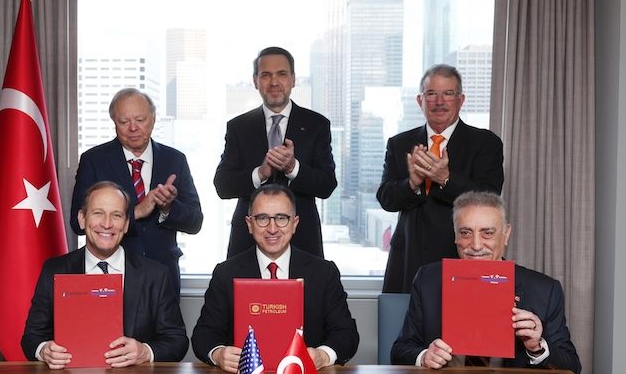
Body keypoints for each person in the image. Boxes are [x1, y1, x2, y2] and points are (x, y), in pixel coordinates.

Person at [390, 191, 581, 373]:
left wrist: (537, 347)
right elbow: (400, 350)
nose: (476, 245)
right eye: (465, 233)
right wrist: (424, 356)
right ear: (455, 235)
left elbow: (572, 366)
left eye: (487, 233)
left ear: (506, 234)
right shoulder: (428, 280)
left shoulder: (545, 290)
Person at [191, 184, 359, 372]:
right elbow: (204, 335)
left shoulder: (324, 272)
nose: (272, 228)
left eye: (281, 218)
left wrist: (323, 355)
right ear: (249, 224)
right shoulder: (226, 273)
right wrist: (218, 354)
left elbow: (346, 334)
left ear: (294, 224)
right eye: (262, 218)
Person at [21, 181, 188, 369]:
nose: (107, 224)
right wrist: (44, 350)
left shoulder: (156, 275)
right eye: (98, 213)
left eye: (116, 215)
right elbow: (31, 337)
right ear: (82, 219)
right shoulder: (54, 269)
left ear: (126, 224)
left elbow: (177, 342)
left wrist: (145, 351)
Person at [377, 64, 504, 293]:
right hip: (408, 261)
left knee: (461, 326)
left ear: (461, 99)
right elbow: (386, 199)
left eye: (448, 94)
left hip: (461, 257)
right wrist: (412, 183)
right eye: (432, 94)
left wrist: (445, 179)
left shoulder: (485, 143)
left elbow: (490, 198)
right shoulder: (399, 143)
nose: (439, 102)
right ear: (420, 100)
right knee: (402, 326)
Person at [70, 88, 203, 296]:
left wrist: (167, 208)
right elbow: (76, 222)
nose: (133, 128)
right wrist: (137, 211)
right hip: (110, 275)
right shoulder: (94, 160)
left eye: (140, 119)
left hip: (163, 274)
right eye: (124, 122)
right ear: (114, 122)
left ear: (153, 118)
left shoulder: (174, 159)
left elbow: (195, 222)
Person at [214, 46, 337, 258]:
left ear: (293, 79)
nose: (274, 82)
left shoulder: (317, 125)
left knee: (305, 292)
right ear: (255, 81)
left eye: (281, 74)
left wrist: (293, 168)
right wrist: (259, 174)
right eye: (265, 75)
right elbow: (223, 186)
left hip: (302, 240)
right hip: (247, 242)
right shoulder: (238, 127)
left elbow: (327, 185)